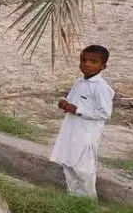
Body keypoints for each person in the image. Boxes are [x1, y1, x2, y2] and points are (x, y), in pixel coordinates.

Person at [49, 44, 114, 199]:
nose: (87, 64)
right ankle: (73, 199)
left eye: (93, 61)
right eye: (83, 60)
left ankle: (89, 202)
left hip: (86, 133)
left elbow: (104, 113)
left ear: (103, 66)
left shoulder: (101, 87)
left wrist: (77, 110)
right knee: (68, 164)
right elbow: (72, 101)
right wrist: (64, 103)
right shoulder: (79, 82)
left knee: (83, 169)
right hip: (71, 130)